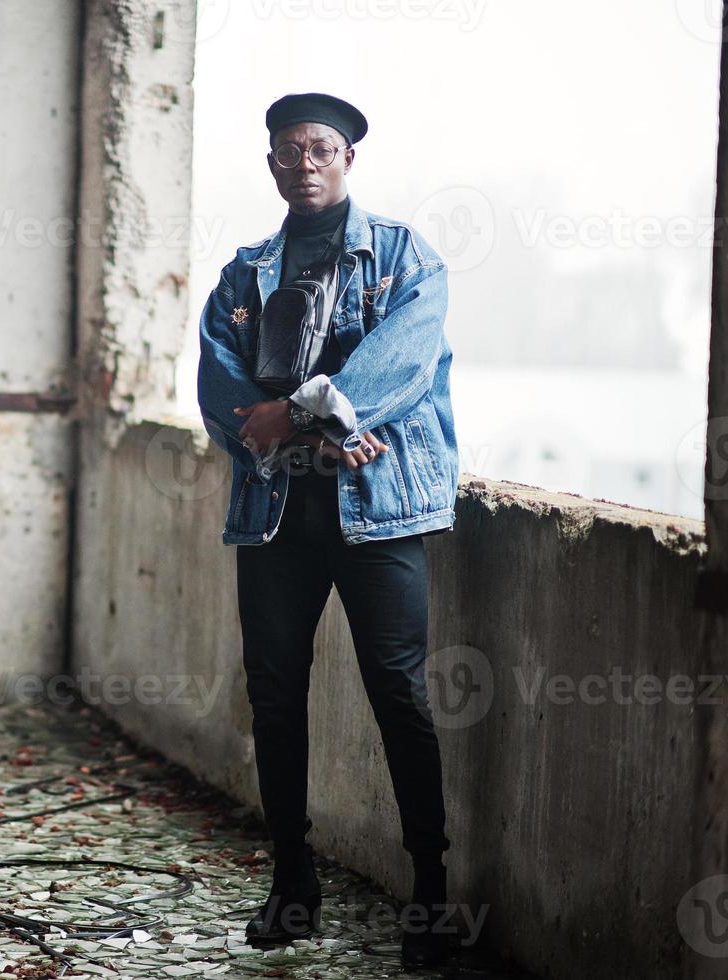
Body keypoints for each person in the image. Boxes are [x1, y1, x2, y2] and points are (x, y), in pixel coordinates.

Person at [195, 92, 462, 969]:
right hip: (275, 515)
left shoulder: (401, 258)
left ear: (347, 158)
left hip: (379, 510)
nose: (303, 162)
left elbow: (398, 369)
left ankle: (430, 890)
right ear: (270, 163)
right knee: (274, 693)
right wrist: (300, 421)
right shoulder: (243, 273)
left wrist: (306, 413)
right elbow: (219, 391)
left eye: (320, 148)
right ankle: (291, 880)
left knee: (398, 690)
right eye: (287, 151)